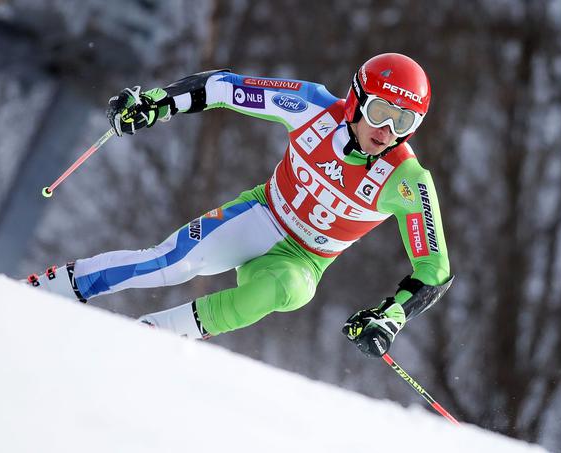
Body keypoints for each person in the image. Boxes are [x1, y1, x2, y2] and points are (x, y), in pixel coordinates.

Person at [27, 53, 453, 358]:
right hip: (262, 215)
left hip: (304, 261)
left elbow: (435, 272)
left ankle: (143, 341)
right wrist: (157, 103)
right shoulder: (312, 107)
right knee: (170, 264)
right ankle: (46, 289)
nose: (386, 131)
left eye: (404, 122)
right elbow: (223, 88)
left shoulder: (407, 180)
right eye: (380, 111)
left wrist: (390, 317)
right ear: (357, 99)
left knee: (273, 292)